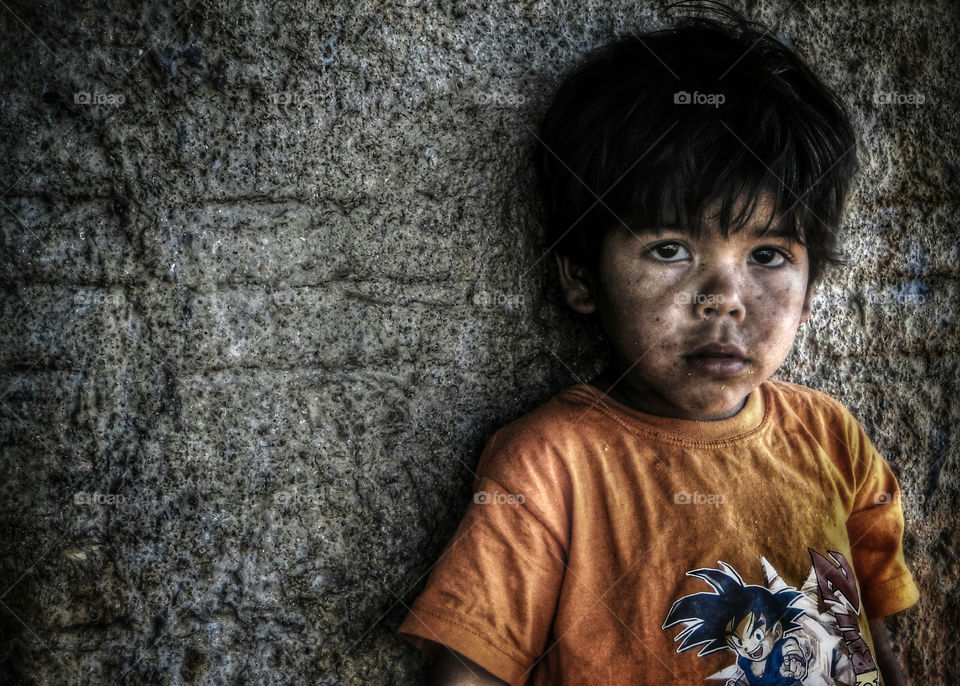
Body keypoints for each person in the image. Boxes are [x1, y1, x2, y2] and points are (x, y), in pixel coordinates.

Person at [398, 3, 919, 684]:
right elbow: (468, 672)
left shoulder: (832, 439)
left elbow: (873, 639)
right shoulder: (552, 468)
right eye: (670, 248)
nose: (724, 298)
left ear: (812, 288)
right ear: (581, 277)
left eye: (767, 255)